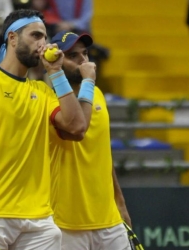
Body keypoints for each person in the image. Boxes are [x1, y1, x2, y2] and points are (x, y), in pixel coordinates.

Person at [0, 9, 91, 250]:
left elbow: (77, 128)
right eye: (36, 36)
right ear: (12, 38)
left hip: (39, 220)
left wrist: (56, 72)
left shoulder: (45, 91)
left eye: (45, 37)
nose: (43, 43)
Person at [49, 31, 132, 250]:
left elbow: (103, 153)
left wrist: (120, 203)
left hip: (109, 219)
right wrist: (88, 81)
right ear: (56, 59)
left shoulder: (98, 95)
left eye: (85, 54)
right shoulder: (47, 100)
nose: (83, 61)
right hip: (67, 223)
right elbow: (78, 129)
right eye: (73, 56)